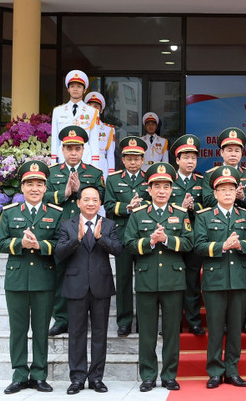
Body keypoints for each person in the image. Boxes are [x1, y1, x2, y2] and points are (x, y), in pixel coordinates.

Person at [123, 162, 193, 392]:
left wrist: (167, 240)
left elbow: (190, 243)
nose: (162, 190)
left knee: (172, 331)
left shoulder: (181, 214)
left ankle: (170, 375)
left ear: (172, 189)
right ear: (149, 189)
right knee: (147, 332)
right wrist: (150, 242)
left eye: (166, 186)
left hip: (173, 281)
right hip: (146, 280)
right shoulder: (138, 214)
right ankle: (148, 375)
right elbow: (129, 244)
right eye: (157, 186)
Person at [0, 161, 62, 394]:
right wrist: (19, 244)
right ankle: (19, 374)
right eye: (29, 184)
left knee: (41, 329)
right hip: (16, 280)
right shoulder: (10, 213)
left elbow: (60, 244)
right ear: (22, 188)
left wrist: (40, 245)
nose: (34, 188)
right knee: (18, 329)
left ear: (45, 188)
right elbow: (1, 242)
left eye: (39, 184)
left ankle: (39, 374)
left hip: (44, 279)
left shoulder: (55, 214)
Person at [193, 166, 246, 389]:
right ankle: (214, 371)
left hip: (239, 279)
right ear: (215, 193)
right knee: (215, 327)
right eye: (223, 189)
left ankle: (232, 370)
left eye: (232, 189)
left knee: (235, 328)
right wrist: (222, 246)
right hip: (215, 280)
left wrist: (242, 245)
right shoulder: (204, 217)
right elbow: (199, 245)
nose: (228, 193)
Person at [54, 186, 122, 395]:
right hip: (76, 286)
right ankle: (77, 378)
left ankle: (96, 378)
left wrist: (101, 239)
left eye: (95, 200)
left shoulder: (109, 224)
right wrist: (78, 239)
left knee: (100, 334)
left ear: (100, 203)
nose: (91, 203)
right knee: (76, 333)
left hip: (101, 285)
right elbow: (59, 253)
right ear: (78, 202)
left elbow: (119, 250)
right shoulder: (67, 225)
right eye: (86, 199)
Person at [45, 125, 106, 337]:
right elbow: (41, 197)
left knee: (87, 274)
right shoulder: (51, 173)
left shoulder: (94, 173)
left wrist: (82, 191)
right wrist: (65, 192)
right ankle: (61, 319)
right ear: (62, 149)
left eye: (77, 148)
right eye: (69, 148)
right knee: (60, 274)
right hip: (61, 231)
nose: (73, 152)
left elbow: (102, 198)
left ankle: (84, 318)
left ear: (83, 150)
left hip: (87, 231)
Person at [103, 136, 150, 337]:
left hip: (143, 236)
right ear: (122, 159)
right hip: (121, 236)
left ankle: (144, 321)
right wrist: (127, 208)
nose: (133, 162)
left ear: (142, 160)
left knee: (143, 279)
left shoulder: (150, 178)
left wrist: (143, 207)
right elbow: (107, 206)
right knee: (122, 279)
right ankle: (124, 321)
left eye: (137, 158)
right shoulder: (113, 179)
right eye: (129, 158)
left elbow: (156, 203)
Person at [169, 134, 206, 336]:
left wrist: (193, 207)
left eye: (193, 157)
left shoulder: (202, 181)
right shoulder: (168, 181)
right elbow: (161, 207)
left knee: (192, 281)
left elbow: (208, 208)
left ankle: (193, 321)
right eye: (186, 157)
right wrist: (179, 209)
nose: (190, 161)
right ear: (177, 160)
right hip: (173, 237)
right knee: (173, 283)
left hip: (193, 238)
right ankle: (173, 323)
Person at [201, 127, 246, 211]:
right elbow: (206, 201)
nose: (233, 154)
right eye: (229, 150)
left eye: (237, 151)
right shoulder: (211, 175)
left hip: (243, 221)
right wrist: (229, 195)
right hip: (217, 221)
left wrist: (243, 197)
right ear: (221, 152)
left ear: (242, 153)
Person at [50, 70, 100, 165]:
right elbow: (55, 140)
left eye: (79, 86)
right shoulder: (58, 111)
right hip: (63, 157)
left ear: (84, 90)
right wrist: (54, 161)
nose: (75, 89)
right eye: (72, 86)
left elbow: (94, 141)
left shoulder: (93, 112)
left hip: (85, 158)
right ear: (68, 89)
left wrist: (95, 165)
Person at [84, 92, 116, 179]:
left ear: (101, 110)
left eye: (96, 106)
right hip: (84, 162)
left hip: (101, 164)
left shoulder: (108, 129)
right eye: (90, 106)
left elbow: (110, 155)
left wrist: (111, 175)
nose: (93, 109)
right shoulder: (81, 127)